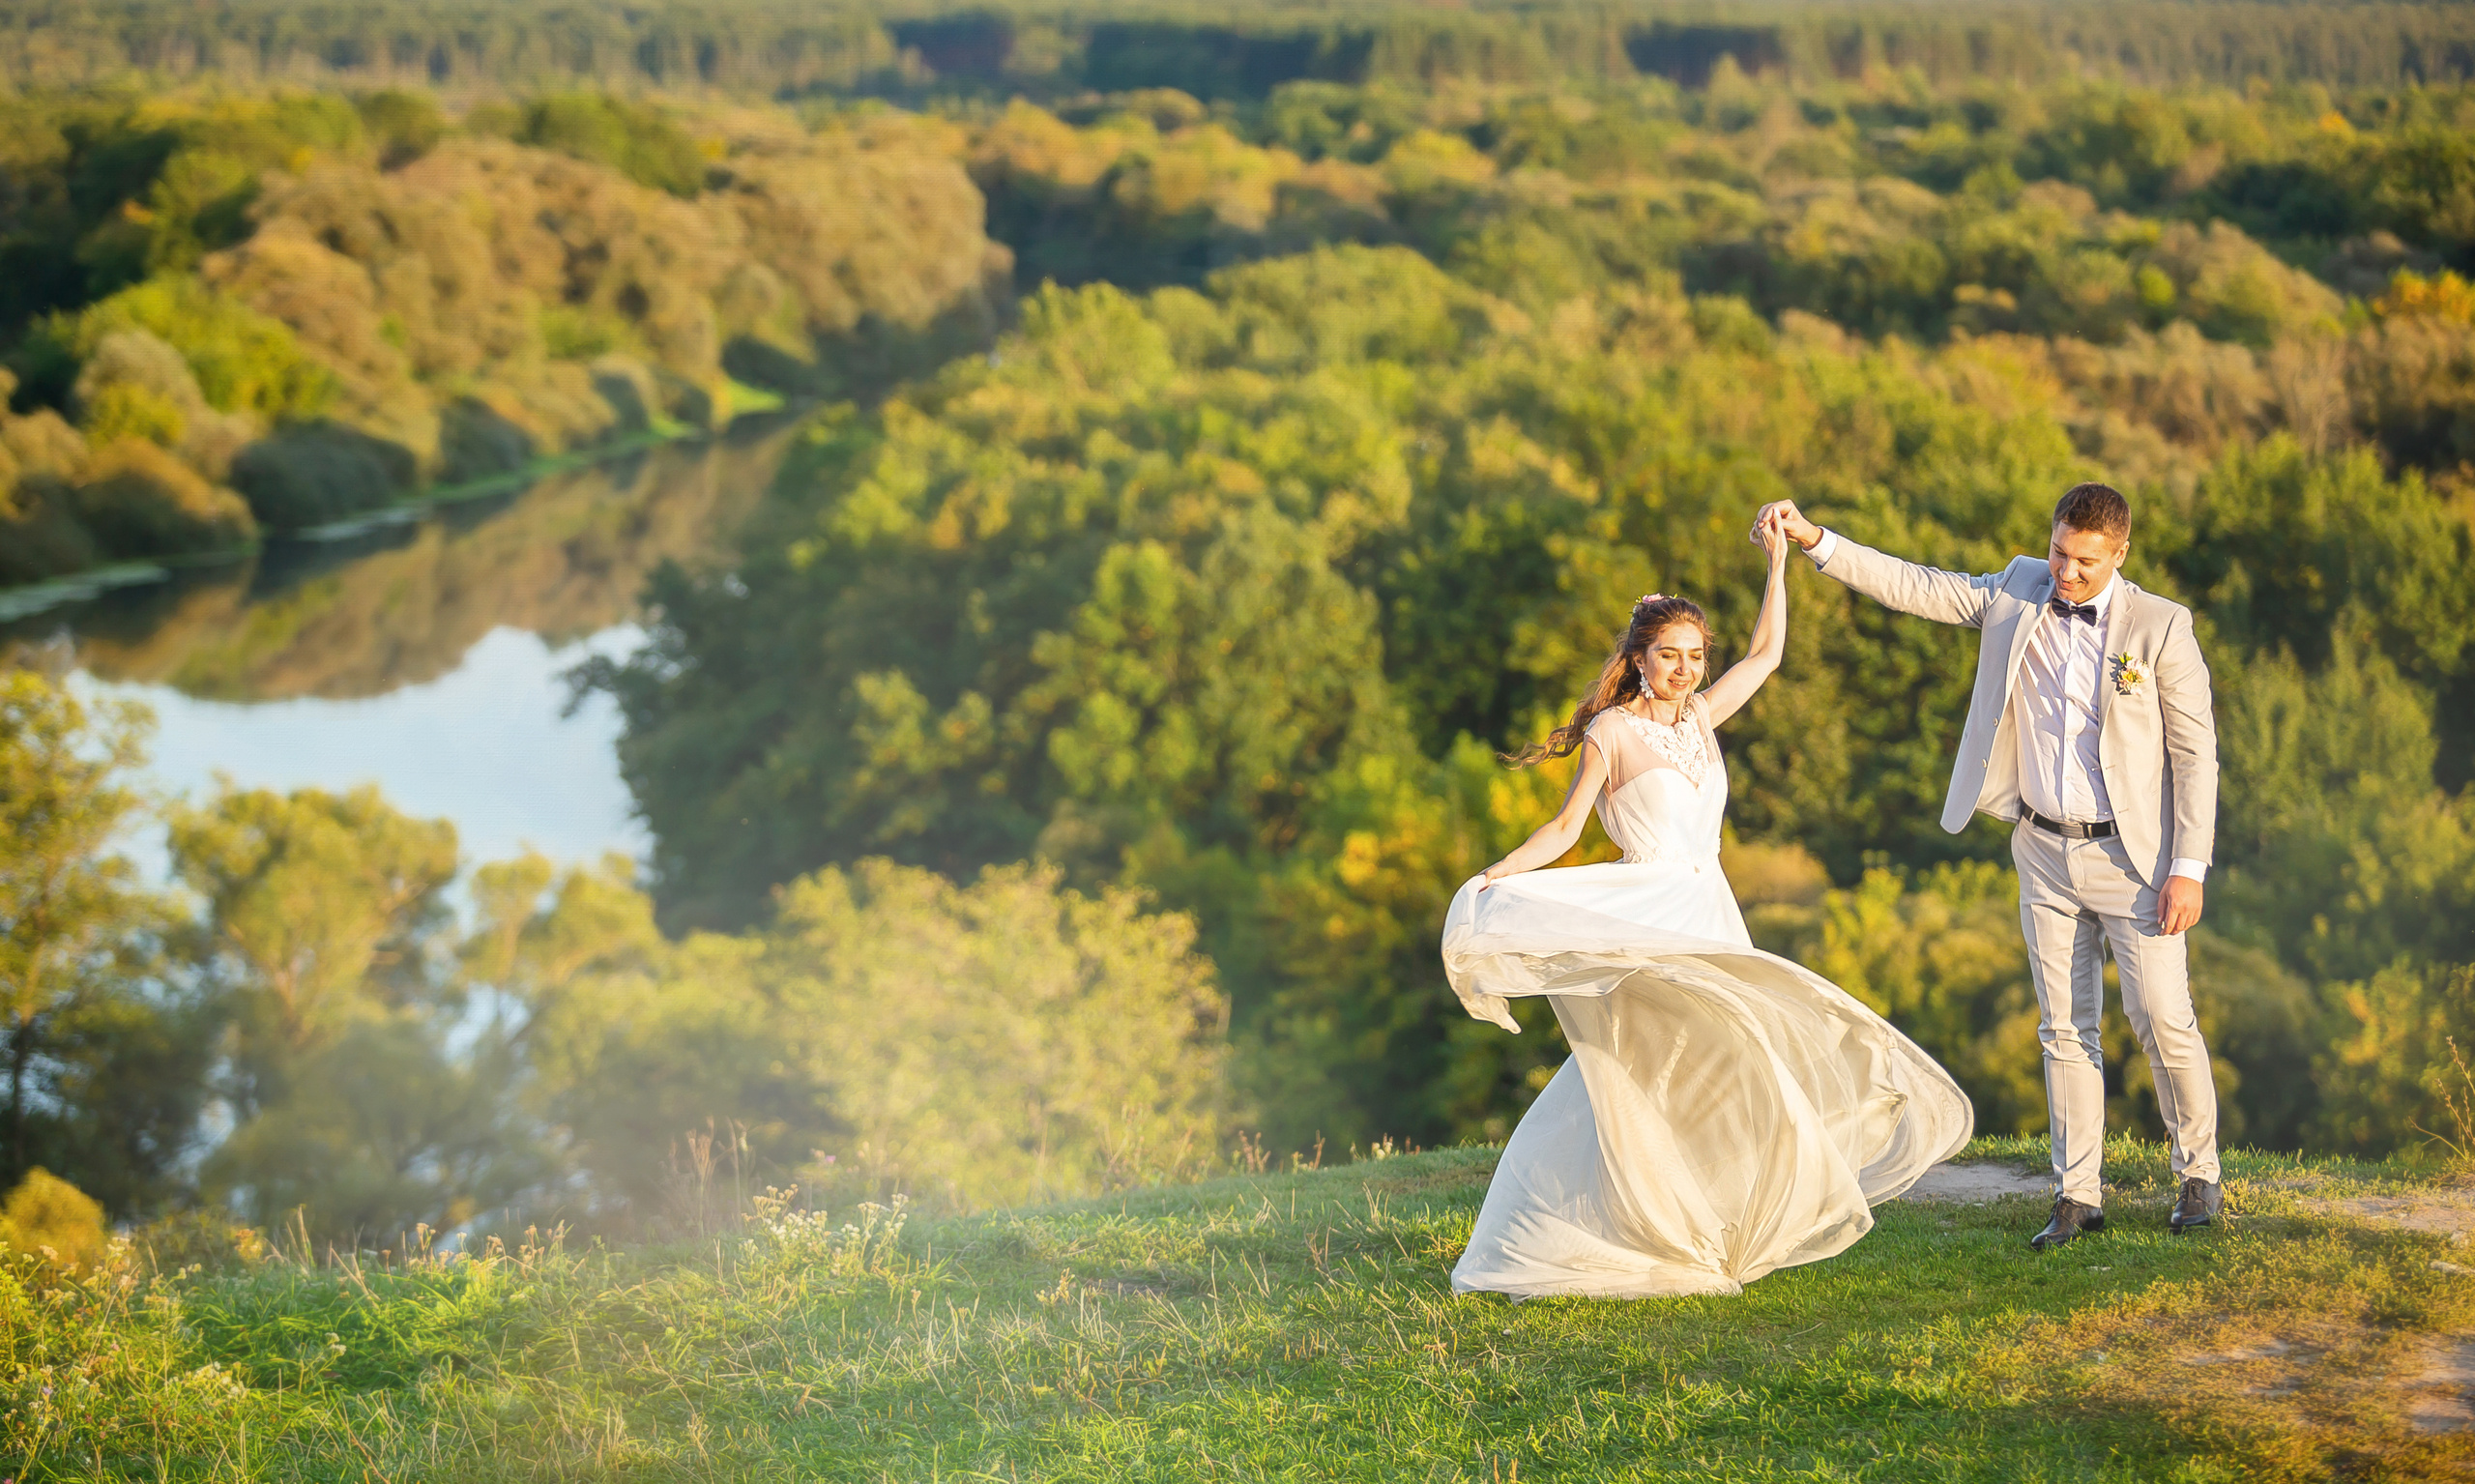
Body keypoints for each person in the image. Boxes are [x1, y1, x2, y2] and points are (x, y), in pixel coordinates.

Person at [1441, 509, 1972, 1299]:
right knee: (1645, 1076)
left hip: (1711, 910)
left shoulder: (1700, 718)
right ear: (1638, 658)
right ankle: (1615, 1225)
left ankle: (1705, 1222)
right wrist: (1497, 874)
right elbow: (1563, 828)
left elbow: (1768, 654)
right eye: (1670, 657)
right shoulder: (1611, 733)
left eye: (1695, 657)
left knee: (1733, 1064)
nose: (1686, 671)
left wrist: (1778, 567)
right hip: (1648, 911)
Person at [1752, 483, 2222, 1251]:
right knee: (2064, 1028)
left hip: (2136, 859)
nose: (2065, 573)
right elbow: (1918, 586)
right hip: (2041, 847)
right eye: (2060, 552)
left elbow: (2194, 755)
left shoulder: (2164, 627)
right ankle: (2078, 1195)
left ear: (2120, 554)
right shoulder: (2017, 588)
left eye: (2085, 562)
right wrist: (1816, 541)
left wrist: (2189, 866)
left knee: (2162, 1016)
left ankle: (2197, 1174)